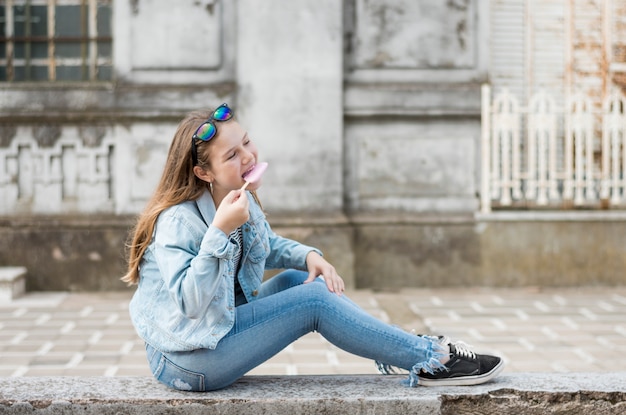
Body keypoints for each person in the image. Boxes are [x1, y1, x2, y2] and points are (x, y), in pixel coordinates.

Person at [122, 103, 504, 392]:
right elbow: (190, 302)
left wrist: (308, 254)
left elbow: (264, 245)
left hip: (217, 327)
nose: (248, 156)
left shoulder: (239, 198)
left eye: (247, 142)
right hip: (184, 359)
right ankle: (429, 359)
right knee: (313, 304)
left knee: (297, 280)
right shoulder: (178, 222)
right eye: (232, 155)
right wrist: (219, 231)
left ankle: (397, 349)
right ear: (203, 173)